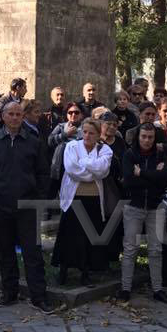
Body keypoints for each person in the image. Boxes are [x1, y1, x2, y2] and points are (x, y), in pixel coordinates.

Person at [0, 101, 55, 313]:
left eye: (18, 114)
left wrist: (38, 198)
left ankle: (39, 296)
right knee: (5, 252)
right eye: (10, 114)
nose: (14, 118)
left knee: (32, 252)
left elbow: (43, 173)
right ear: (2, 116)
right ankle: (9, 292)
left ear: (23, 117)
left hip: (27, 206)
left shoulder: (34, 142)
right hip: (0, 205)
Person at [52, 118, 114, 286]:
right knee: (69, 235)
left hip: (93, 199)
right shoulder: (71, 146)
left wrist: (85, 163)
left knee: (89, 235)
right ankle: (63, 270)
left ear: (98, 134)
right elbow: (72, 170)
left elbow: (103, 171)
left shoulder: (105, 149)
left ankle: (85, 271)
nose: (87, 135)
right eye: (85, 132)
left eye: (91, 133)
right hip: (73, 198)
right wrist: (92, 170)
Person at [118, 123, 167, 304]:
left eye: (150, 137)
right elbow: (128, 181)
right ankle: (125, 288)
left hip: (155, 207)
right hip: (133, 206)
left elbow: (164, 179)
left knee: (156, 250)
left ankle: (157, 289)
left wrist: (141, 173)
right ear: (138, 136)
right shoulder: (129, 155)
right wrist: (152, 176)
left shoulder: (160, 154)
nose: (147, 140)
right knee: (130, 249)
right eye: (143, 136)